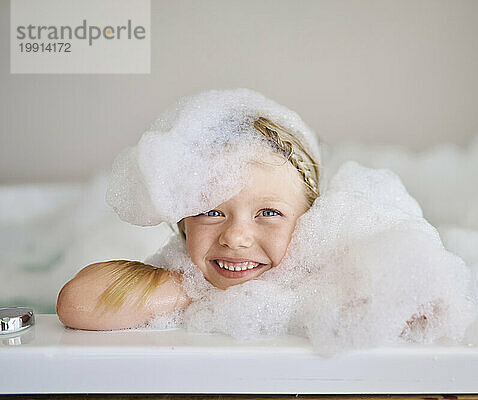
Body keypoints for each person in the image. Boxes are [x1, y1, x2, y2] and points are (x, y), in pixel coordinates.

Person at [56, 91, 321, 331]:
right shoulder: (185, 281)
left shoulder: (329, 284)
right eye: (211, 212)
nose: (235, 237)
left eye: (268, 213)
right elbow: (77, 302)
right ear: (184, 224)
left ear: (310, 221)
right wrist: (196, 287)